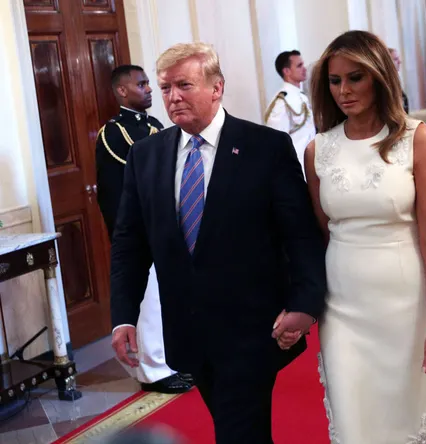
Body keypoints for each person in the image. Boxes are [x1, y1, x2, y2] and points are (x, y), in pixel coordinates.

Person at [109, 42, 327, 444]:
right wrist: (124, 316)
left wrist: (304, 304)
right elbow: (129, 244)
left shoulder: (265, 147)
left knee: (238, 431)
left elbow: (300, 234)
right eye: (166, 87)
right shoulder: (146, 156)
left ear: (216, 87)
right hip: (188, 333)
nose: (173, 97)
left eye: (184, 85)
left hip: (253, 331)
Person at [300, 30, 426, 443]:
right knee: (354, 423)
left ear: (379, 76)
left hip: (406, 304)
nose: (344, 90)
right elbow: (321, 234)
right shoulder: (318, 150)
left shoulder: (416, 138)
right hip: (342, 305)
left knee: (406, 422)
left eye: (355, 78)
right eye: (334, 81)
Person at [96, 64, 192, 394]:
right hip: (142, 234)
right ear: (122, 91)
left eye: (149, 83)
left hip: (166, 230)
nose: (149, 89)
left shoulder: (154, 126)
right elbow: (114, 193)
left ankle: (169, 360)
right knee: (148, 303)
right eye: (141, 84)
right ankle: (153, 371)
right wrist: (126, 238)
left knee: (165, 300)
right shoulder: (113, 133)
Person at [264, 50, 316, 173]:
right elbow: (275, 142)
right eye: (299, 66)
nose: (304, 69)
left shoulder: (301, 96)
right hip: (297, 168)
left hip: (311, 163)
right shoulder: (282, 102)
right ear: (286, 71)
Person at [389, 47, 409, 113]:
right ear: (387, 62)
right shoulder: (386, 83)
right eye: (395, 59)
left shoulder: (395, 80)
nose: (400, 61)